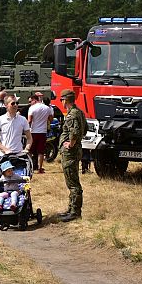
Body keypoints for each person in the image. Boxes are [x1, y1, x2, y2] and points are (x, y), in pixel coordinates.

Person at [57, 89, 87, 222]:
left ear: (65, 100)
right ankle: (71, 208)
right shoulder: (79, 112)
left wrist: (71, 143)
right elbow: (85, 129)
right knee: (72, 180)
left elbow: (74, 132)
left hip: (70, 152)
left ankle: (75, 211)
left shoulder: (71, 115)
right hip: (76, 150)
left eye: (61, 100)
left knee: (73, 182)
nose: (61, 102)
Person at [28, 94, 53, 173]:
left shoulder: (32, 108)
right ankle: (40, 168)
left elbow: (29, 121)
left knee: (30, 151)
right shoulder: (47, 108)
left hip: (33, 131)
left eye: (31, 101)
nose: (30, 103)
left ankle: (29, 167)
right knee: (41, 151)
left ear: (34, 100)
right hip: (43, 131)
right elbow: (51, 119)